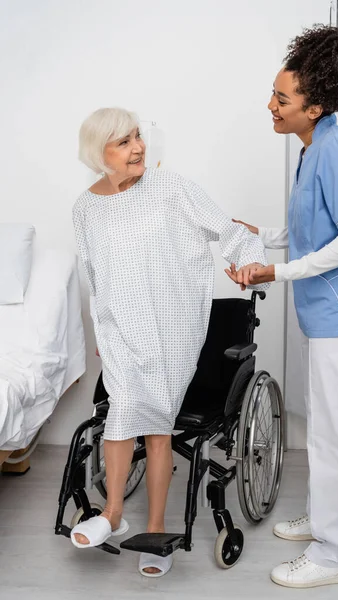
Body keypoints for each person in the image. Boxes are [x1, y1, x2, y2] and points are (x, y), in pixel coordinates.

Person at [71, 107, 269, 577]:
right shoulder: (85, 207)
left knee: (157, 421)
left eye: (138, 136)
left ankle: (155, 527)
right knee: (122, 409)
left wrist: (248, 263)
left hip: (174, 325)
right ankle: (114, 515)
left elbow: (229, 230)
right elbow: (94, 277)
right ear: (99, 153)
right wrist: (103, 330)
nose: (138, 147)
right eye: (123, 142)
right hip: (121, 328)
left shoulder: (171, 188)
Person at [227, 25, 338, 589]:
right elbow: (311, 228)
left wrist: (279, 271)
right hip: (326, 315)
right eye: (274, 93)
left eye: (282, 99)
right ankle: (325, 524)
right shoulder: (314, 146)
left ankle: (334, 555)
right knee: (322, 427)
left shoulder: (336, 151)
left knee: (337, 439)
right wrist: (264, 236)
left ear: (315, 106)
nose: (270, 105)